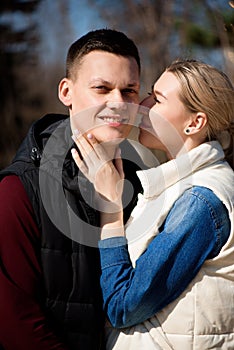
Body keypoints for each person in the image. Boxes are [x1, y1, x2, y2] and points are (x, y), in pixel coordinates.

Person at [0, 28, 148, 350]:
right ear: (66, 91)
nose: (118, 103)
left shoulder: (144, 183)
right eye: (102, 88)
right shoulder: (18, 191)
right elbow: (15, 323)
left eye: (130, 91)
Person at [71, 59, 234, 349]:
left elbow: (123, 306)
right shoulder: (179, 187)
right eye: (149, 92)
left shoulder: (201, 201)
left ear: (194, 123)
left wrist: (111, 207)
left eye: (158, 99)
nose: (142, 105)